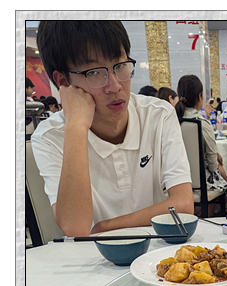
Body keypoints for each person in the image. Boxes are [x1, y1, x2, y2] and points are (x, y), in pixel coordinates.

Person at [31, 20, 193, 237]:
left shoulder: (158, 114)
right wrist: (76, 127)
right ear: (63, 81)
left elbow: (183, 205)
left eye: (120, 65)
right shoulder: (49, 137)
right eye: (94, 72)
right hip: (90, 256)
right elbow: (76, 228)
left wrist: (104, 227)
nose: (115, 86)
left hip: (155, 251)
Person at [175, 74, 227, 214]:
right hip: (200, 184)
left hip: (175, 182)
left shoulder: (171, 121)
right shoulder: (202, 124)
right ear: (200, 97)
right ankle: (225, 205)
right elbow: (213, 166)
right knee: (218, 170)